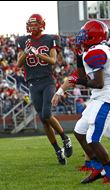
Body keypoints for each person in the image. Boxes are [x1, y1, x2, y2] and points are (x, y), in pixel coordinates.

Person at [65, 20, 110, 184]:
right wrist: (78, 56)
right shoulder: (97, 50)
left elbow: (98, 83)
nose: (81, 37)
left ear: (93, 35)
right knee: (79, 131)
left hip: (106, 99)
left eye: (85, 33)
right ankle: (98, 168)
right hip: (99, 97)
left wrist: (78, 82)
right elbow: (85, 76)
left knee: (93, 138)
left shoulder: (95, 52)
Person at [52, 67, 110, 172]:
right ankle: (92, 164)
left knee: (88, 131)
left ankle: (94, 165)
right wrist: (59, 92)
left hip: (108, 100)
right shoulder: (89, 63)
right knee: (109, 133)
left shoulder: (102, 59)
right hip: (100, 101)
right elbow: (72, 78)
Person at [16, 13, 72, 165]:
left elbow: (53, 60)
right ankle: (57, 150)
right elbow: (18, 64)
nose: (32, 27)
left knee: (47, 113)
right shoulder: (22, 41)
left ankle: (65, 138)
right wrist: (26, 53)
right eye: (31, 24)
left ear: (41, 25)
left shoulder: (50, 38)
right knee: (43, 119)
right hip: (33, 83)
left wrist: (37, 54)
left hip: (47, 81)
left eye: (35, 24)